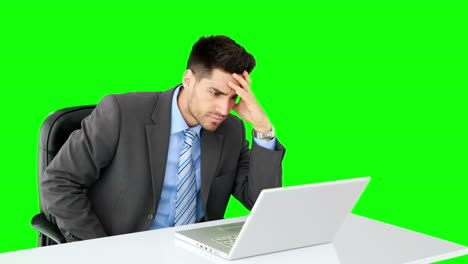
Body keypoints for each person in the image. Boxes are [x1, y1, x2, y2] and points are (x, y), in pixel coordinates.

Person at [41, 35, 286, 242]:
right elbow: (59, 182)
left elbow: (260, 204)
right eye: (215, 93)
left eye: (233, 98)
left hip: (196, 250)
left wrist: (263, 129)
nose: (224, 109)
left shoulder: (231, 129)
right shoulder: (121, 113)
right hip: (125, 248)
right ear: (188, 80)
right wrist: (101, 250)